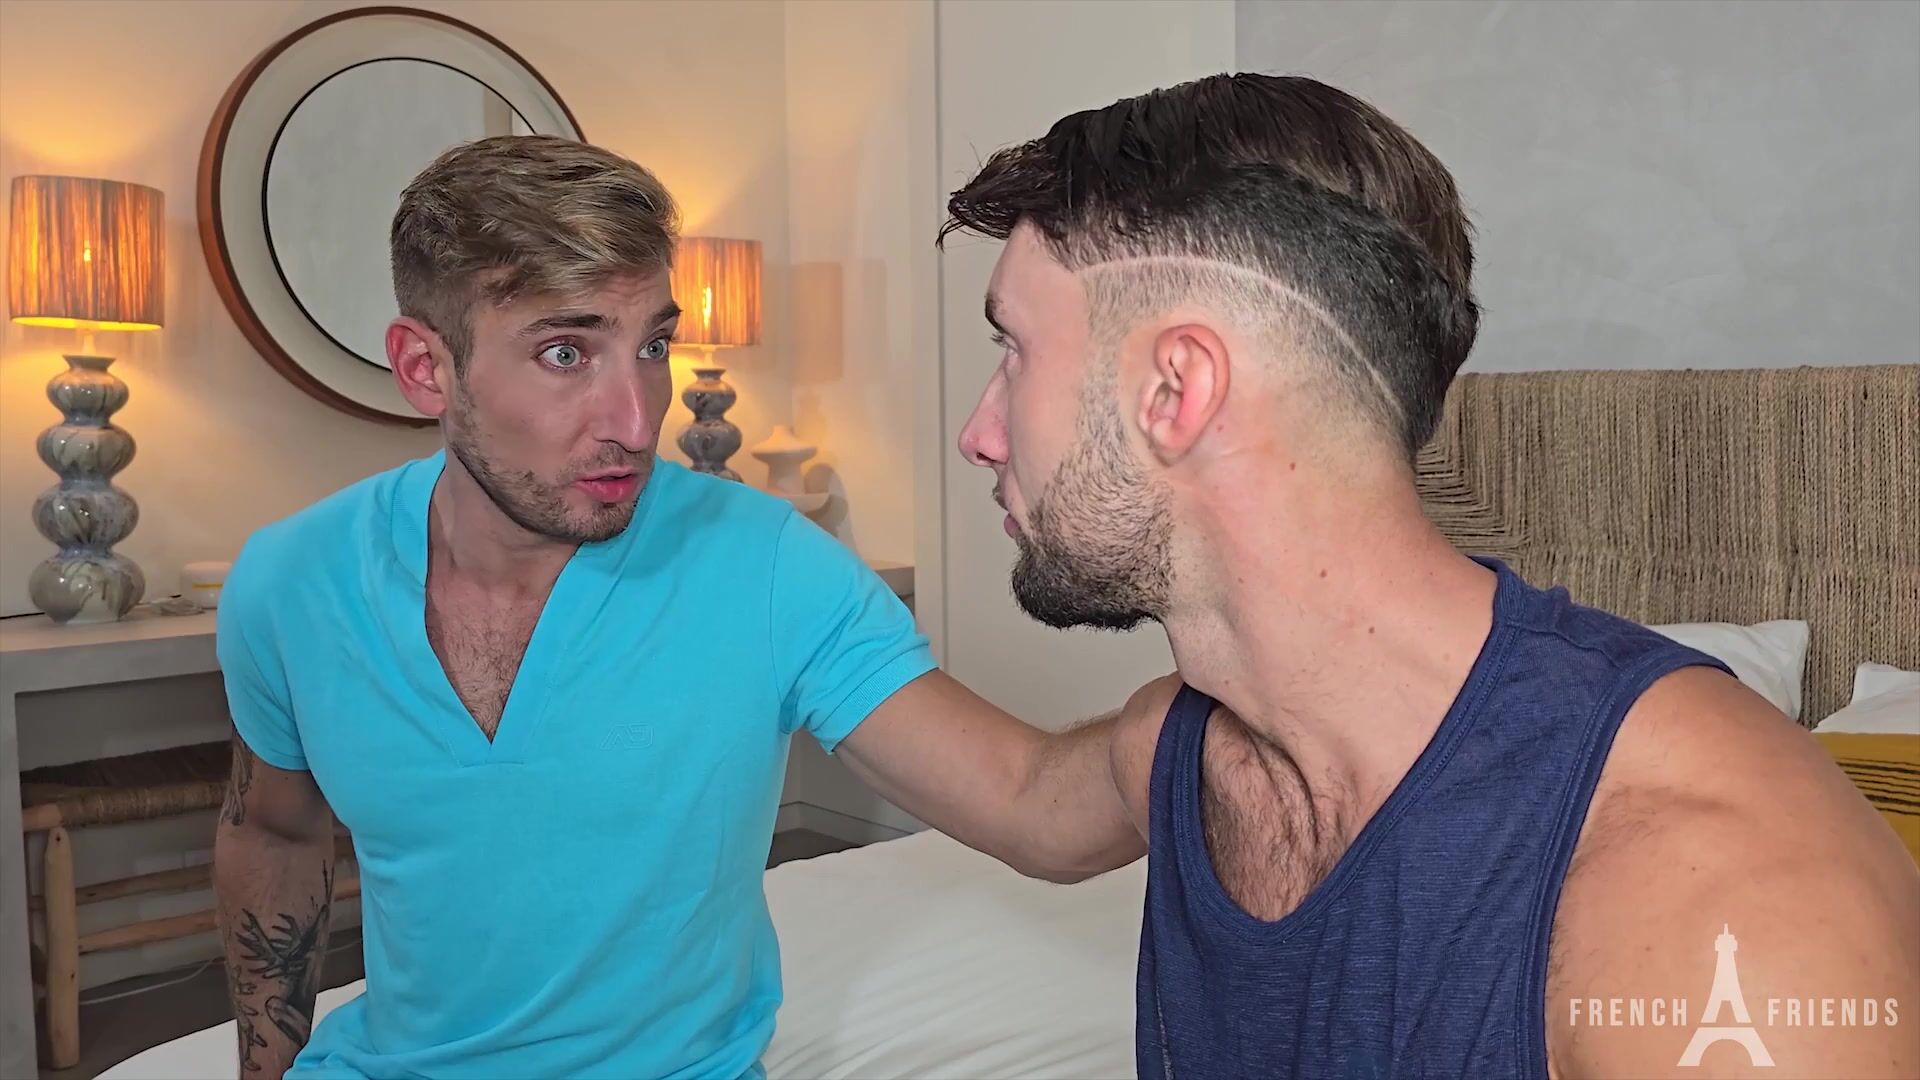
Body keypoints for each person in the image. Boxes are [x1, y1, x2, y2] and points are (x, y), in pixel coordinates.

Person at [942, 73, 1920, 1078]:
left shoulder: (1725, 915)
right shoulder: (1182, 753)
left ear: (1175, 389)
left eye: (1013, 350)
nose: (979, 434)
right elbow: (1021, 797)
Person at [211, 136, 1136, 1080]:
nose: (635, 418)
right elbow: (272, 832)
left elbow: (1037, 806)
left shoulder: (765, 565)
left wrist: (1218, 698)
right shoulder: (292, 584)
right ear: (425, 367)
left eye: (652, 346)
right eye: (565, 352)